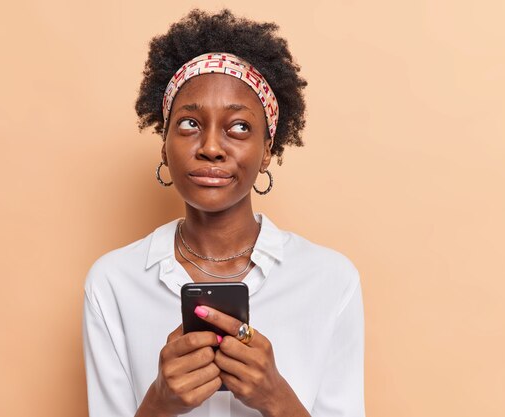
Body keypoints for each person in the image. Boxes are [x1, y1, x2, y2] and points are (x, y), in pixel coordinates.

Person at [83, 9, 365, 417]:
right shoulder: (112, 284)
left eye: (238, 127)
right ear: (164, 145)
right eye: (189, 124)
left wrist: (276, 398)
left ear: (268, 150)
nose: (211, 147)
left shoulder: (331, 281)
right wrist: (159, 403)